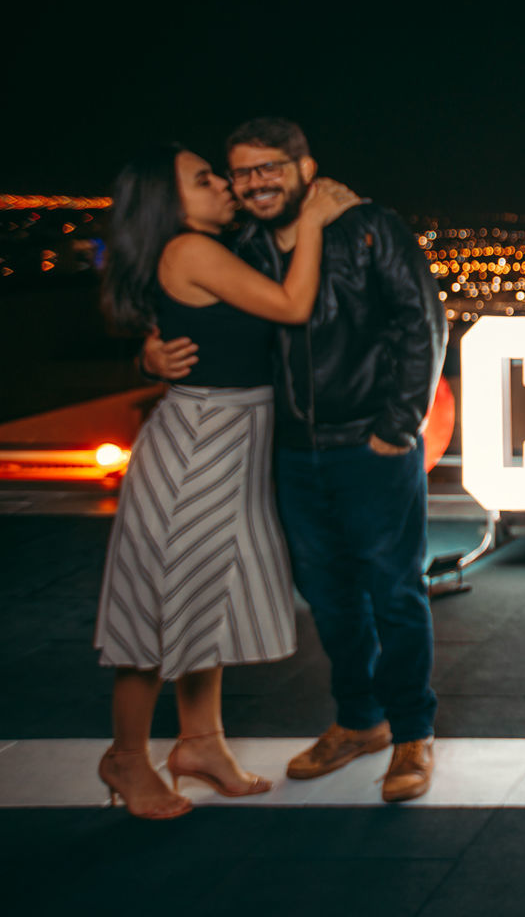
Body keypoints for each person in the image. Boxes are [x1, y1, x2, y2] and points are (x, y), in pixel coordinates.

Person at [143, 118, 447, 803]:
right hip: (289, 451)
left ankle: (411, 735)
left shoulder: (369, 227)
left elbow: (421, 322)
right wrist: (148, 352)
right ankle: (359, 721)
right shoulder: (241, 244)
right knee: (329, 599)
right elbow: (186, 308)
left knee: (394, 592)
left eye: (269, 167)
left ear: (306, 169)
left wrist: (397, 428)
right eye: (241, 171)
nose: (254, 182)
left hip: (370, 446)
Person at [96, 144, 359, 818]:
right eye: (204, 179)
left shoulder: (212, 246)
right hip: (200, 444)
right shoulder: (189, 249)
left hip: (228, 436)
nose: (225, 186)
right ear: (167, 200)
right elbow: (291, 306)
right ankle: (127, 758)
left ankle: (200, 743)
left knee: (200, 592)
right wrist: (317, 226)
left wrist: (150, 353)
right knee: (159, 602)